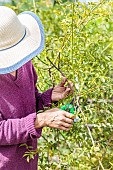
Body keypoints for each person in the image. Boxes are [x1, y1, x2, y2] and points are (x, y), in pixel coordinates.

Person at [0, 6, 74, 170]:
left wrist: (48, 98)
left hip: (28, 162)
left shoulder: (24, 63)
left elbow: (26, 106)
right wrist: (41, 120)